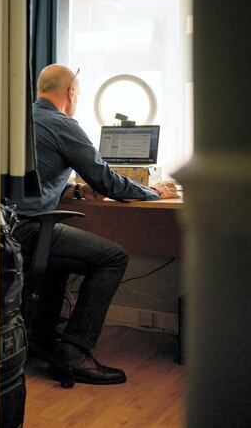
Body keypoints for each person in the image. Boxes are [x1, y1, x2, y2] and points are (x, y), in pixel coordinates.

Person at [13, 64, 179, 385]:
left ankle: (42, 334)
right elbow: (110, 183)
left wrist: (73, 188)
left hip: (4, 229)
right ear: (72, 92)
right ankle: (75, 351)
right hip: (29, 229)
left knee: (59, 257)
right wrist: (153, 191)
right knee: (113, 257)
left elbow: (35, 177)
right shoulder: (62, 124)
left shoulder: (21, 120)